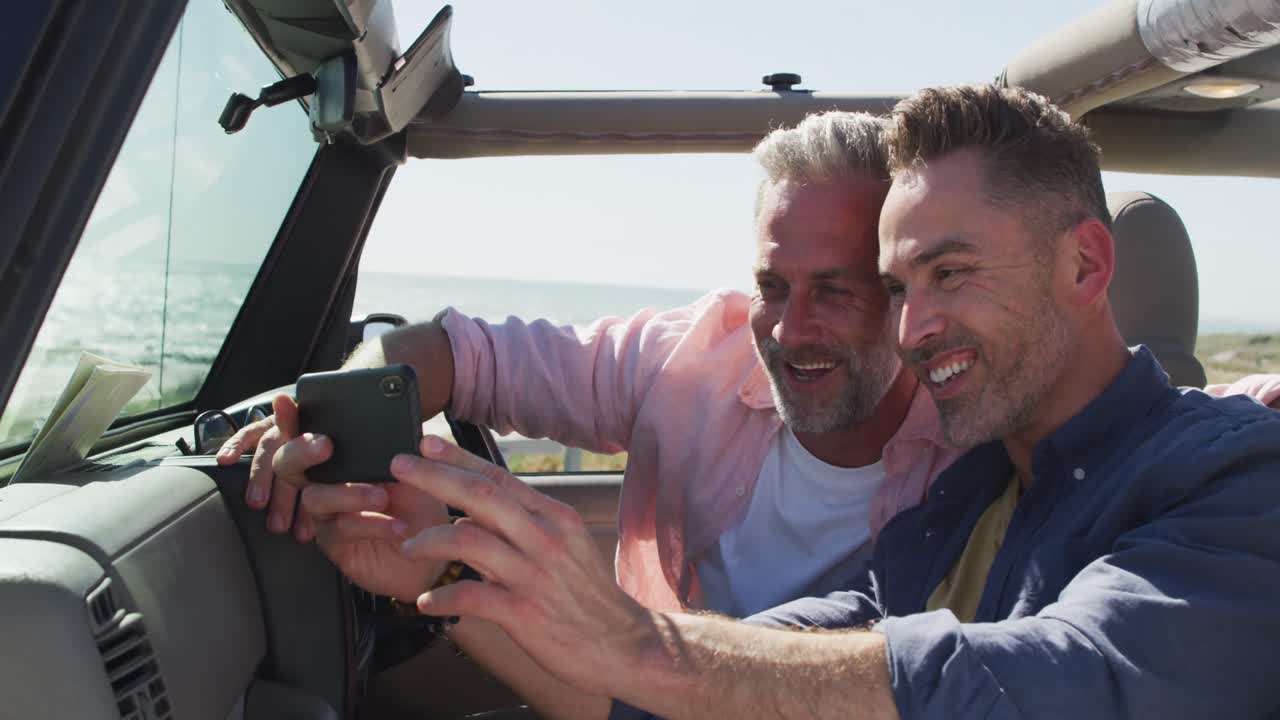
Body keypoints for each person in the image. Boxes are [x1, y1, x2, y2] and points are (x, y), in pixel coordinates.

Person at [332, 84, 1280, 719]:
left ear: (1086, 263)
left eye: (952, 273)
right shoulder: (966, 497)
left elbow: (1064, 681)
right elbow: (716, 683)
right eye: (903, 288)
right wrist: (442, 574)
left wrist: (640, 642)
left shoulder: (1233, 472)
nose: (916, 329)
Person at [218, 111, 961, 616]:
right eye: (772, 287)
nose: (790, 330)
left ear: (902, 293)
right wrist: (324, 431)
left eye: (835, 291)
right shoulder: (686, 358)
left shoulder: (980, 446)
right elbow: (453, 352)